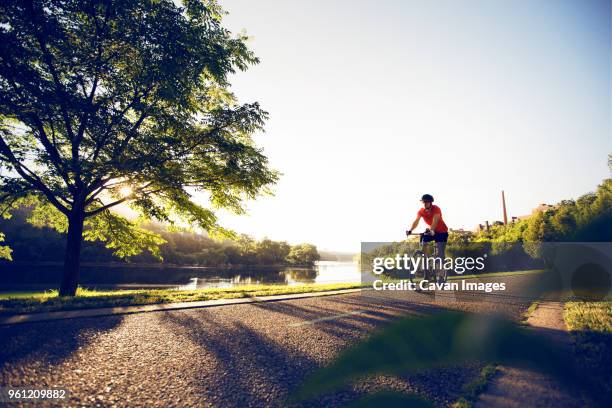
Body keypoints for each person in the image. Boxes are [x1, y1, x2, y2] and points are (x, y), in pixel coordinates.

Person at [406, 194, 449, 279]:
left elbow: (435, 220)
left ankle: (440, 276)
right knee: (424, 242)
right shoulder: (421, 211)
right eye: (423, 202)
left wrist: (432, 230)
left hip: (442, 232)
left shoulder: (436, 209)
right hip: (431, 231)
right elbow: (416, 221)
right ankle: (425, 267)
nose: (424, 204)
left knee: (440, 254)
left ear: (431, 203)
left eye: (426, 202)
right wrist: (411, 230)